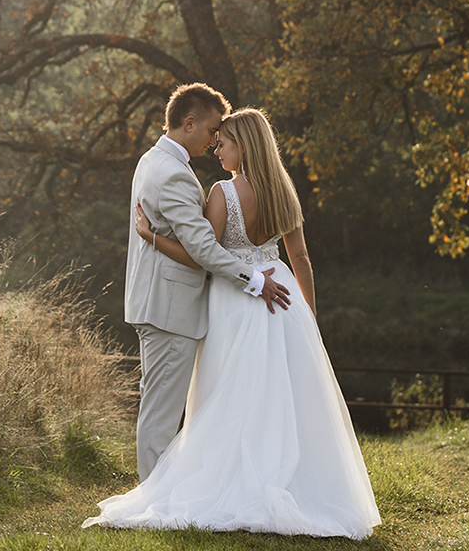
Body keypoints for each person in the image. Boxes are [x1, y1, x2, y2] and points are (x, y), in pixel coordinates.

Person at [86, 108, 380, 539]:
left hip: (237, 298)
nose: (216, 149)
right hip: (284, 295)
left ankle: (230, 482)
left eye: (223, 143)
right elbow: (300, 257)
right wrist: (308, 315)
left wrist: (151, 236)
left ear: (243, 146)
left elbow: (201, 254)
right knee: (281, 395)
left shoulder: (223, 192)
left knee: (228, 391)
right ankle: (290, 481)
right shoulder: (284, 191)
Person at [121, 83, 291, 484]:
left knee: (160, 408)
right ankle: (154, 503)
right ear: (189, 122)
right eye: (213, 130)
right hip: (169, 307)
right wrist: (254, 279)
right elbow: (202, 249)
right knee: (162, 415)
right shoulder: (174, 175)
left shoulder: (153, 159)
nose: (215, 140)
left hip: (158, 302)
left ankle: (158, 496)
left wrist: (152, 237)